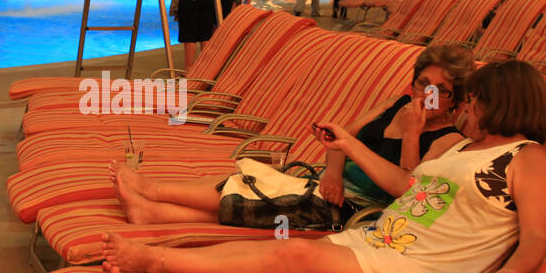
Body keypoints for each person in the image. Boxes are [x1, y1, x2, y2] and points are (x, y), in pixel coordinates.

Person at [100, 58, 546, 273]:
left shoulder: (527, 157)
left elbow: (537, 234)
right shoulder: (460, 151)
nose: (464, 110)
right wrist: (346, 145)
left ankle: (155, 258)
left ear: (500, 104)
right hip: (382, 242)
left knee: (293, 254)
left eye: (472, 101)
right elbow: (404, 184)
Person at [110, 44, 474, 229]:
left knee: (262, 198)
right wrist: (332, 171)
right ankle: (152, 209)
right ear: (412, 83)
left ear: (455, 102)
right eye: (423, 84)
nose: (427, 95)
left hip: (360, 210)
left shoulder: (446, 140)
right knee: (251, 180)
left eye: (441, 91)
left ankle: (153, 196)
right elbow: (341, 135)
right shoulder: (395, 103)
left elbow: (408, 190)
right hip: (331, 187)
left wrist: (412, 135)